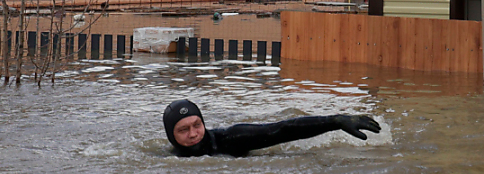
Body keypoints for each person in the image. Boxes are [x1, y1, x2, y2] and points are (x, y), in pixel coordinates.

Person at [162, 99, 381, 157]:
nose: (193, 134)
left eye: (197, 125)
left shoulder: (230, 139)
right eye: (183, 130)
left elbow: (282, 130)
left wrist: (336, 121)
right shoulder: (166, 160)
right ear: (171, 136)